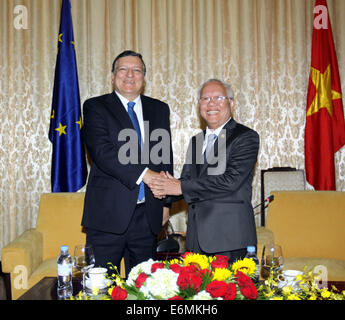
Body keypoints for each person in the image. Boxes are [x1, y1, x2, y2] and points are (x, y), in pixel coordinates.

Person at [81, 50, 173, 276]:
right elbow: (103, 153)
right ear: (113, 76)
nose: (130, 75)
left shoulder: (159, 109)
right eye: (123, 69)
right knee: (101, 288)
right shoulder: (95, 107)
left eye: (137, 70)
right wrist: (146, 175)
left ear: (144, 77)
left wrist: (166, 203)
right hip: (107, 216)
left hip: (148, 216)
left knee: (144, 289)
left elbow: (164, 158)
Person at [149, 78, 259, 263]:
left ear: (231, 103)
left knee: (232, 292)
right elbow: (187, 180)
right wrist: (163, 190)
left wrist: (179, 187)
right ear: (199, 105)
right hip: (196, 241)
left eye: (218, 97)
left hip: (230, 240)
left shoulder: (245, 137)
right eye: (205, 99)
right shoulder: (197, 141)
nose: (211, 103)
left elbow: (230, 181)